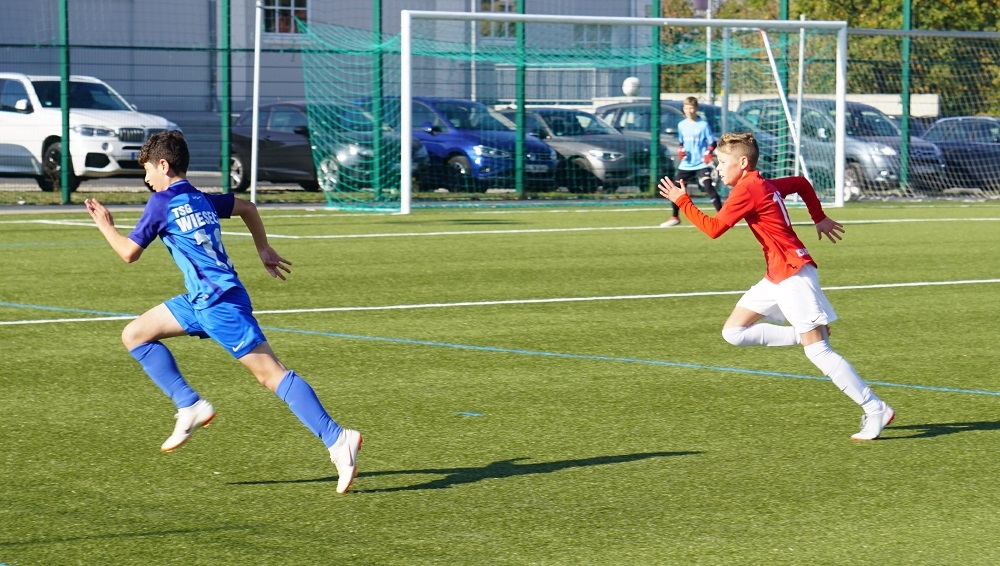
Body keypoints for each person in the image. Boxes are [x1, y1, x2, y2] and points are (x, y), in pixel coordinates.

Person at [84, 130, 363, 492]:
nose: (146, 178)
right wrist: (262, 248)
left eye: (148, 169)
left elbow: (128, 253)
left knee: (272, 374)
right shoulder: (200, 198)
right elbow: (247, 207)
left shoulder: (161, 203)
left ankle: (337, 437)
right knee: (135, 334)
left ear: (163, 165)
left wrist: (105, 226)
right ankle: (189, 406)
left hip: (218, 305)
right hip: (203, 300)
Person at [657, 131, 894, 440]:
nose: (718, 168)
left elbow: (713, 229)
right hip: (778, 275)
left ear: (743, 162)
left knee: (818, 351)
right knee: (733, 332)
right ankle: (803, 333)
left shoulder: (747, 189)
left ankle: (875, 408)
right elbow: (801, 183)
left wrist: (682, 201)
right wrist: (818, 217)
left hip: (793, 276)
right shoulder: (761, 184)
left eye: (722, 162)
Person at [661, 97, 722, 227]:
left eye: (691, 108)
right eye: (686, 108)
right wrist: (681, 150)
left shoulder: (703, 125)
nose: (689, 111)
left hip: (701, 163)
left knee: (708, 186)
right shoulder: (681, 125)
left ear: (696, 108)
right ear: (683, 109)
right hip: (686, 164)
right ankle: (675, 217)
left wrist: (708, 153)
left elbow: (712, 143)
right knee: (676, 188)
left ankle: (722, 215)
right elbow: (681, 143)